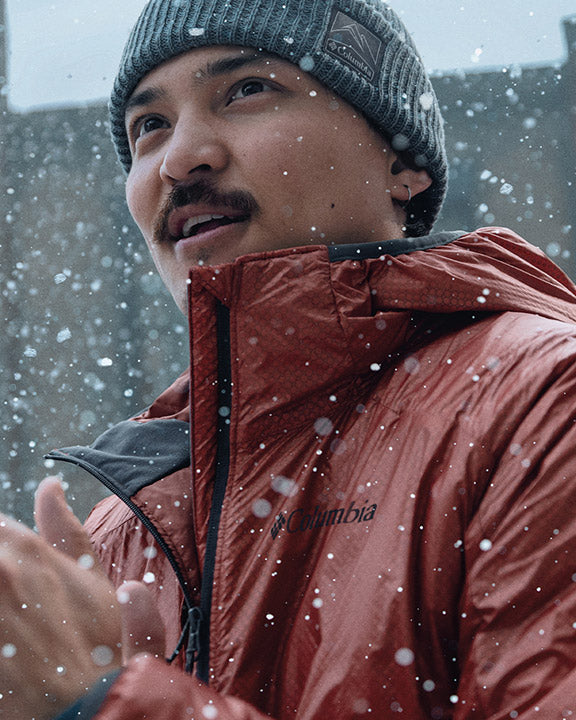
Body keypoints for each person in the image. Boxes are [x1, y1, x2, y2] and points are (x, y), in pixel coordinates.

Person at [2, 0, 576, 718]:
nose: (180, 158)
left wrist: (103, 705)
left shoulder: (543, 405)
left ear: (402, 164)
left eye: (246, 90)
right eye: (150, 125)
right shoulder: (124, 531)